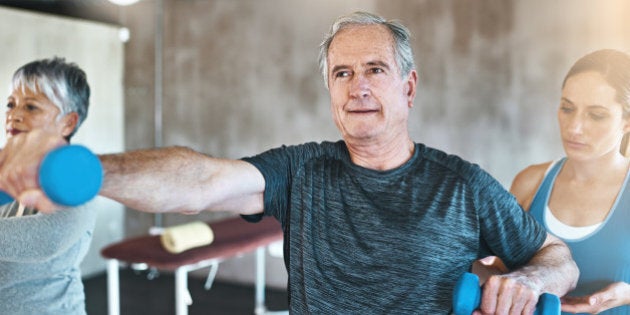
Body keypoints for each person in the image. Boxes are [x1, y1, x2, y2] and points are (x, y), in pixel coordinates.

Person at [0, 12, 578, 314]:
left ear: (409, 86)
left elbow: (557, 257)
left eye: (374, 69)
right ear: (329, 91)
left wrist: (530, 278)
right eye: (341, 74)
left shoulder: (462, 185)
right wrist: (91, 171)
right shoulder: (303, 172)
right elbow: (202, 181)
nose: (357, 88)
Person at [510, 49, 630, 314]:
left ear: (626, 122)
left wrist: (626, 295)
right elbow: (499, 267)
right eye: (567, 108)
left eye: (596, 115)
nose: (574, 127)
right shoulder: (530, 183)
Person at [0, 57, 95, 314]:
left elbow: (45, 240)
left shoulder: (77, 179)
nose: (14, 115)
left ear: (68, 122)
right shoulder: (8, 169)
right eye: (11, 104)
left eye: (31, 107)